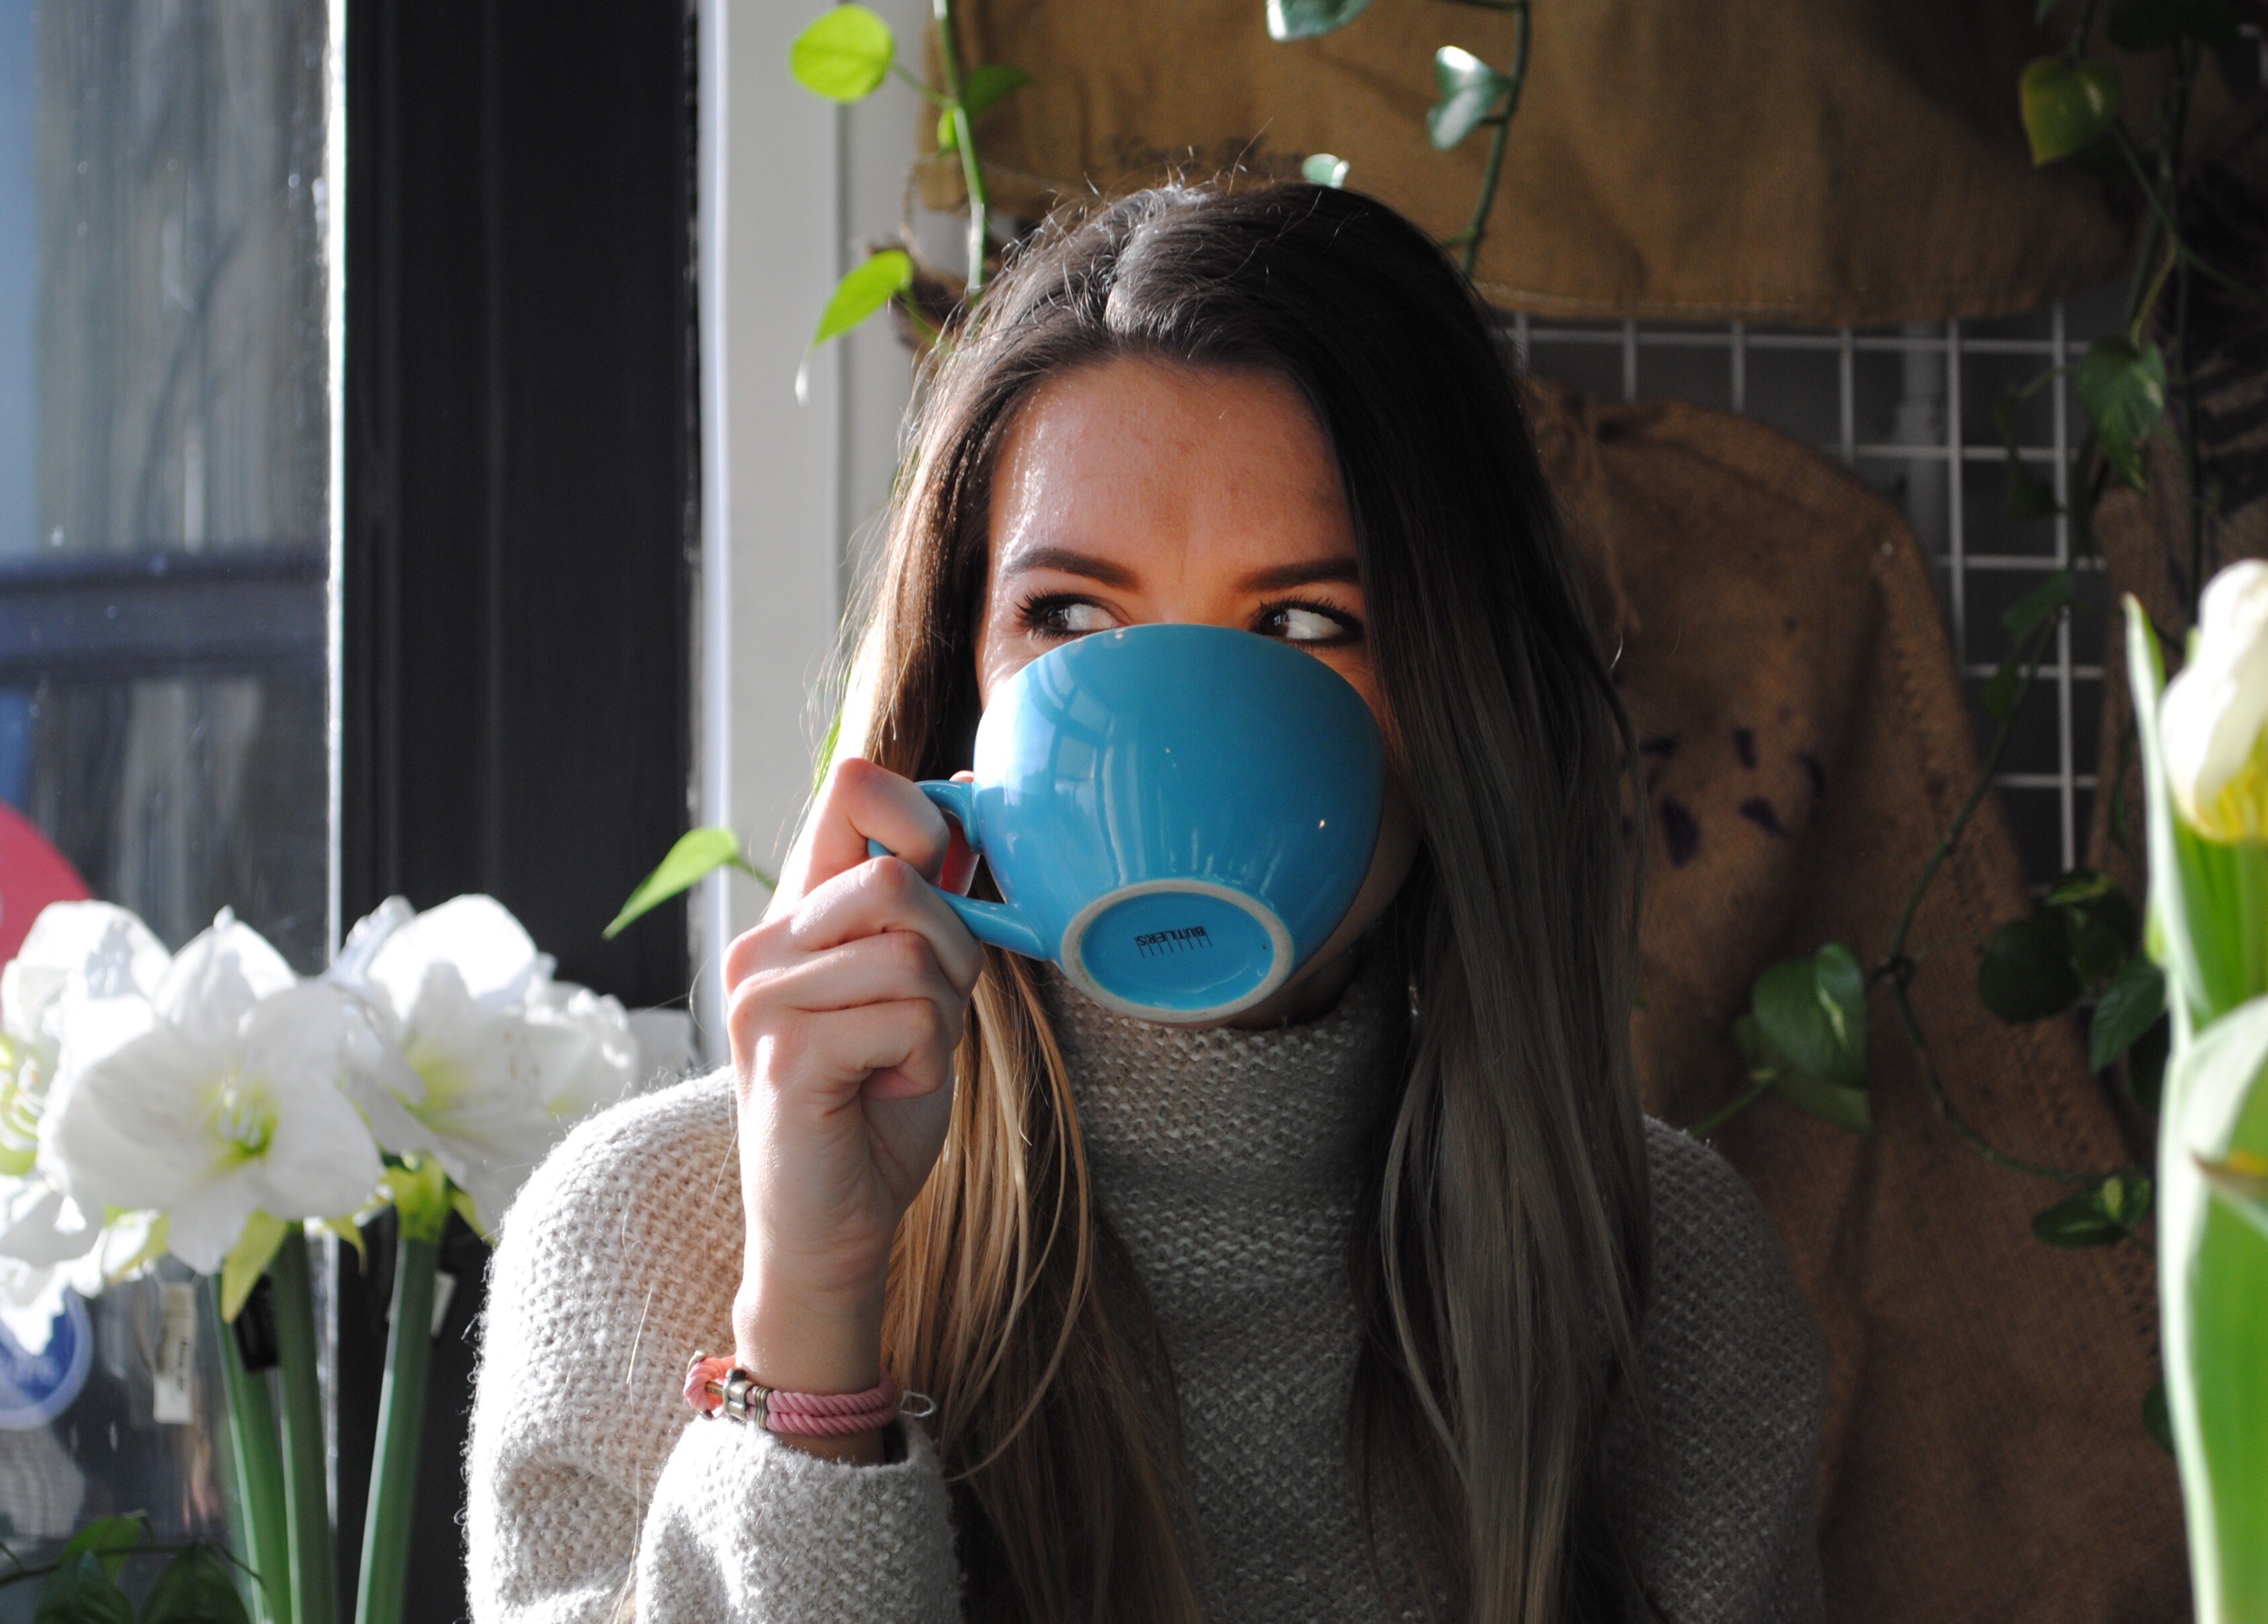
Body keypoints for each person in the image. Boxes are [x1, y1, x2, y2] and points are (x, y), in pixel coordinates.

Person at [467, 181, 1825, 1624]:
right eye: (1070, 619)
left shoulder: (1658, 1274)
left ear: (1459, 711)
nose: (1167, 737)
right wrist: (810, 1327)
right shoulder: (648, 1236)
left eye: (1305, 623)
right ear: (964, 695)